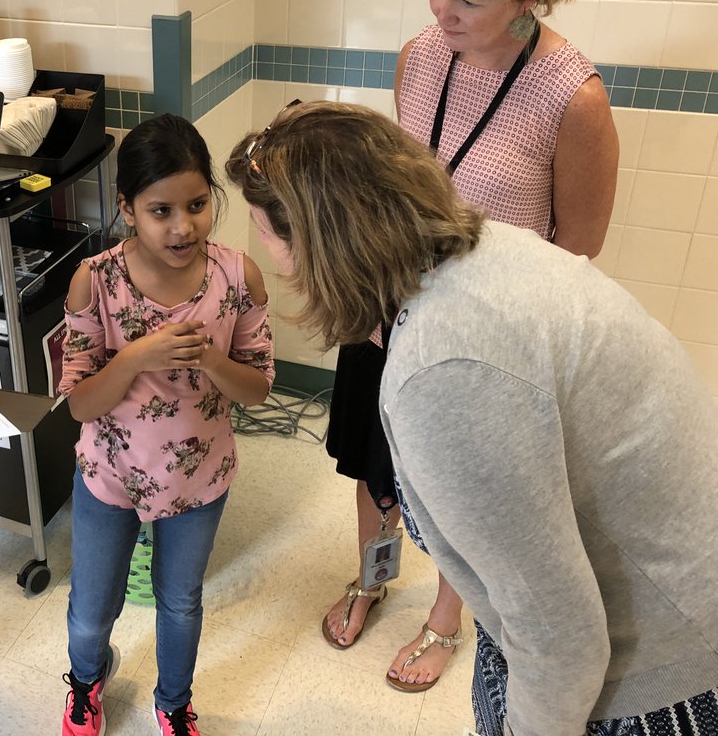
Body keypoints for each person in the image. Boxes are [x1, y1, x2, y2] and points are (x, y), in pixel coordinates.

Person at [226, 100, 718, 736]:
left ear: (322, 246)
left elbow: (560, 637)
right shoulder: (485, 248)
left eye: (265, 231)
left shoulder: (446, 369)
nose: (263, 251)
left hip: (660, 669)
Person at [319, 0, 619, 693]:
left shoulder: (573, 99)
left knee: (459, 493)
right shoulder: (422, 57)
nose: (441, 13)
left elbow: (576, 258)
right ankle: (372, 577)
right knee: (372, 465)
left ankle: (446, 621)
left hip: (481, 347)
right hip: (387, 316)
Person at [58, 114, 275, 736]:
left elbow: (258, 388)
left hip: (198, 476)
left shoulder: (238, 277)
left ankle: (174, 703)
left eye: (198, 205)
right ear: (127, 208)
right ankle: (85, 682)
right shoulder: (94, 283)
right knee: (93, 607)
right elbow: (78, 404)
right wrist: (135, 357)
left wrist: (209, 357)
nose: (183, 227)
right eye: (161, 211)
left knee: (181, 602)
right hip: (110, 473)